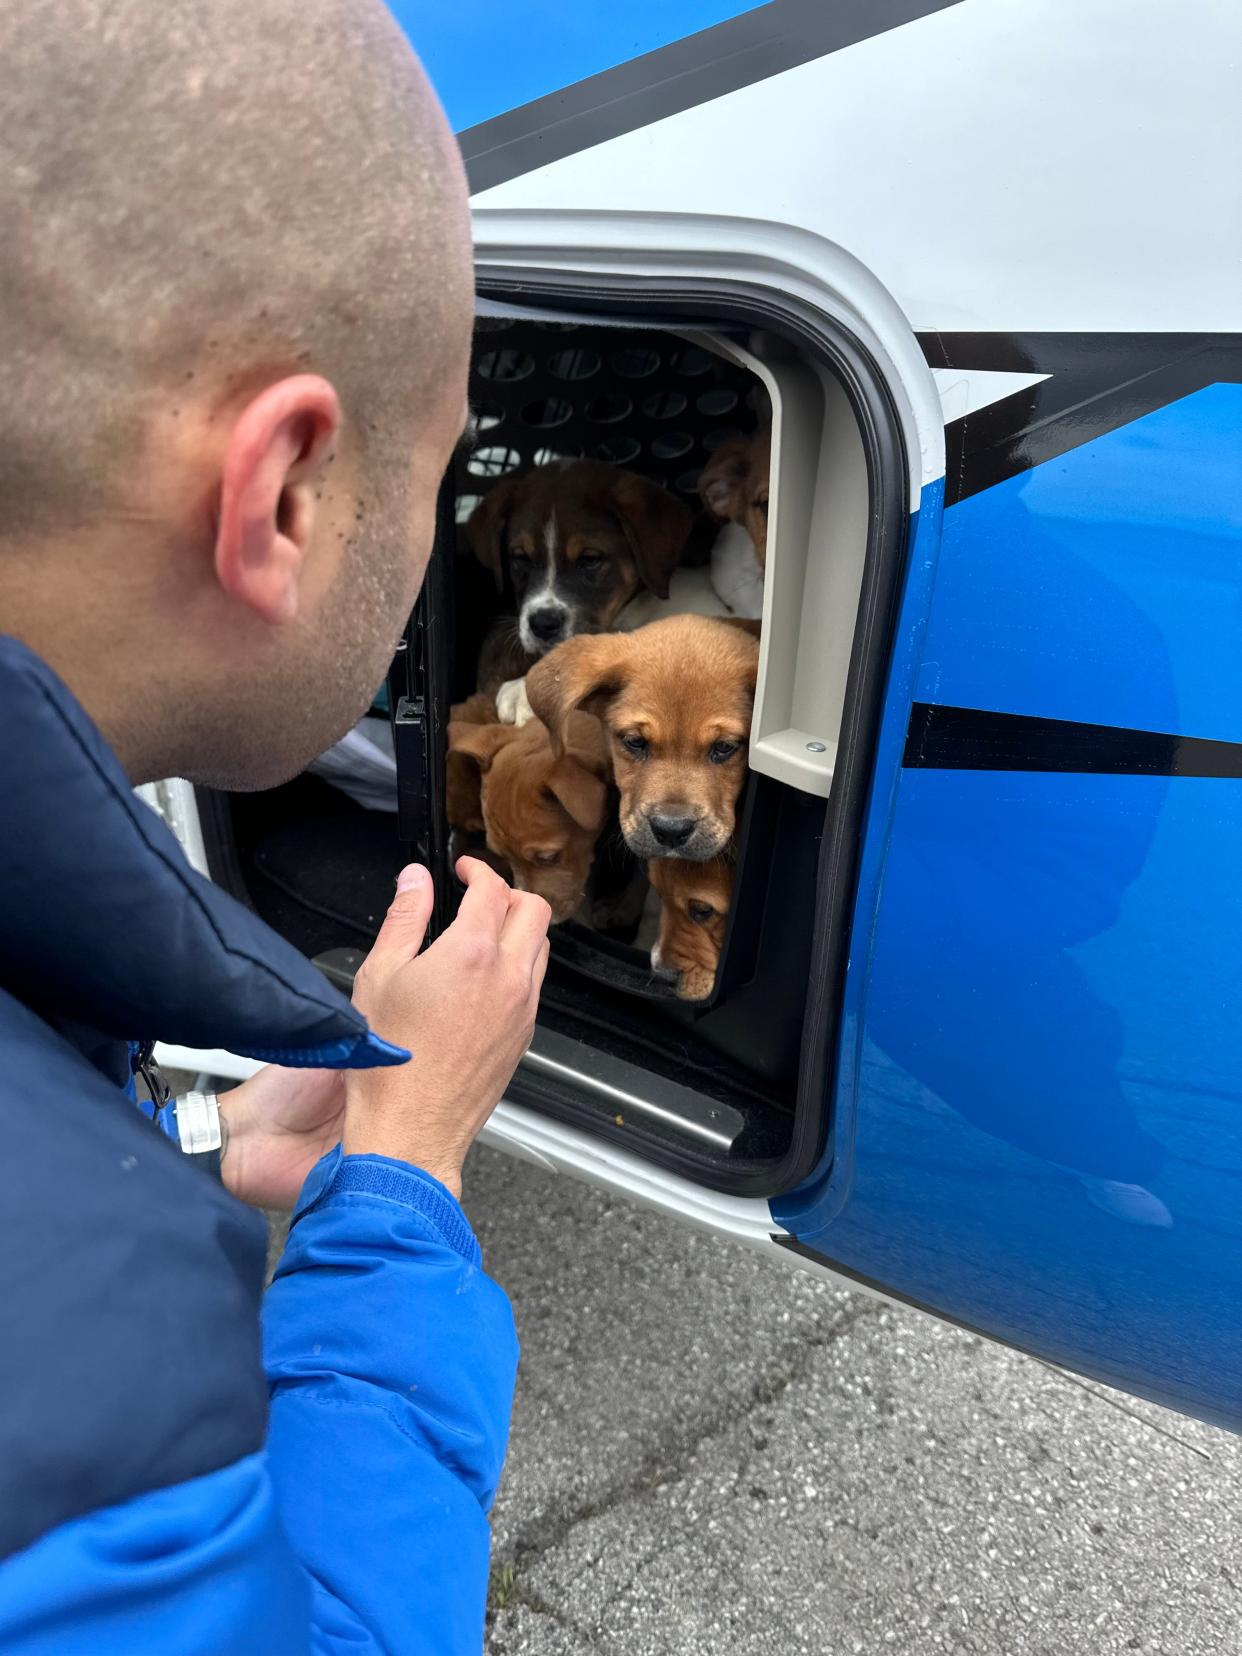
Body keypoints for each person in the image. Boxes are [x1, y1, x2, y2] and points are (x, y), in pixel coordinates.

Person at [0, 3, 551, 1652]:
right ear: (286, 492)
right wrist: (399, 1183)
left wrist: (174, 1146)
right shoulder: (92, 1413)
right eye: (441, 471)